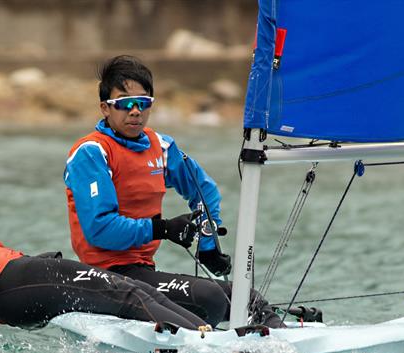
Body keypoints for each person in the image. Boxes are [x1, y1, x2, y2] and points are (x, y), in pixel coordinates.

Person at [0, 117, 210, 331]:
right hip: (11, 284)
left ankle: (192, 335)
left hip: (19, 287)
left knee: (132, 293)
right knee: (128, 293)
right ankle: (208, 341)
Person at [63, 55, 286, 328]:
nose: (135, 111)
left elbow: (204, 191)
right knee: (211, 299)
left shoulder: (161, 147)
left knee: (247, 299)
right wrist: (163, 229)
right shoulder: (91, 153)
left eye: (143, 103)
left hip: (143, 272)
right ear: (105, 108)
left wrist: (207, 244)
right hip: (106, 276)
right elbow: (100, 229)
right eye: (125, 104)